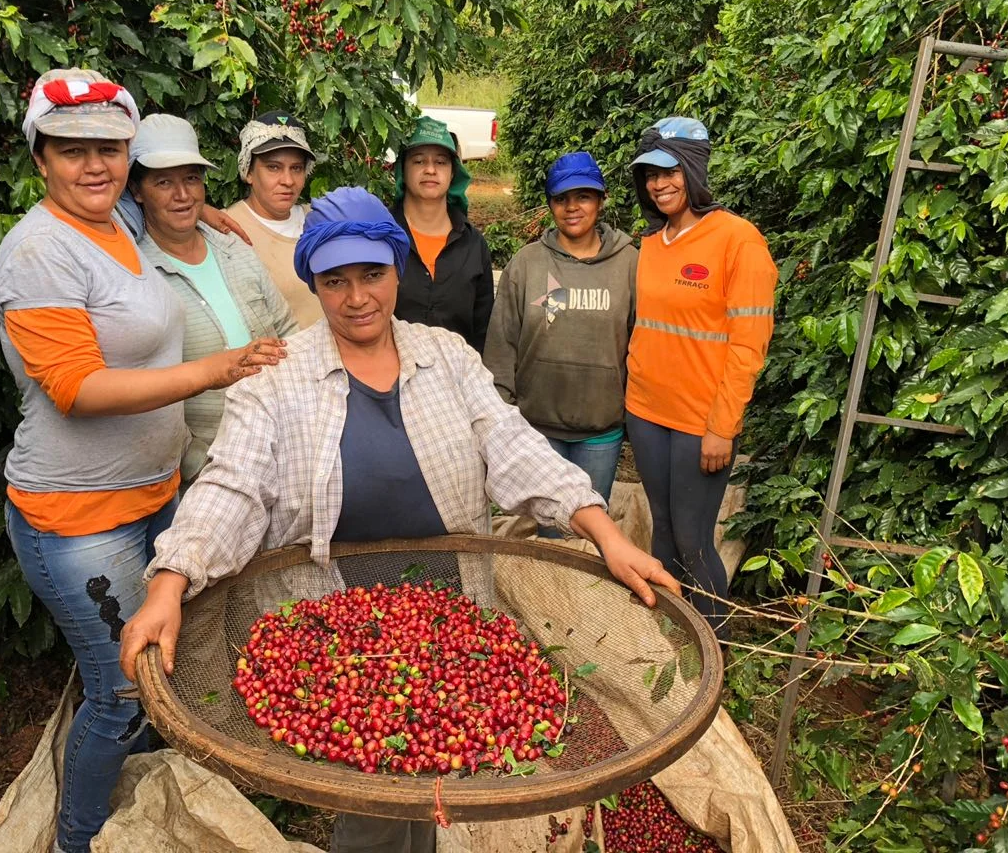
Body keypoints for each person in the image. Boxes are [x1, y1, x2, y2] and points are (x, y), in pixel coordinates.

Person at [118, 186, 679, 853]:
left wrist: (604, 532)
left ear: (397, 270)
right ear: (313, 284)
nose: (357, 297)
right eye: (335, 281)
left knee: (439, 768)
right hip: (331, 622)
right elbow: (232, 484)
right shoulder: (276, 377)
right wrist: (171, 580)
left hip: (450, 608)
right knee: (372, 784)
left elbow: (512, 444)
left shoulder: (445, 356)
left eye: (373, 274)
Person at [0, 69, 286, 853]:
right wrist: (214, 369)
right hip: (79, 518)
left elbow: (166, 200)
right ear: (40, 158)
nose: (96, 165)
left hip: (157, 496)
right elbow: (77, 389)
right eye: (71, 150)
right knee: (121, 692)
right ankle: (79, 840)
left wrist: (210, 209)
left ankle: (146, 812)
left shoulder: (113, 219)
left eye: (111, 149)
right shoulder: (39, 253)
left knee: (163, 671)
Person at [625, 116, 778, 637]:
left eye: (669, 172)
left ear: (693, 170)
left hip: (700, 423)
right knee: (663, 533)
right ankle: (668, 646)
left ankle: (713, 651)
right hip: (646, 413)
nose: (659, 184)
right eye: (650, 175)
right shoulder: (651, 243)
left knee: (693, 540)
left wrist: (722, 426)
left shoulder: (739, 241)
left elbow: (749, 345)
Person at [127, 113, 299, 482]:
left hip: (279, 449)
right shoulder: (134, 270)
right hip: (203, 470)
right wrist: (194, 460)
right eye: (163, 182)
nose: (182, 195)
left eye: (191, 178)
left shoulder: (233, 246)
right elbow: (140, 387)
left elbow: (287, 329)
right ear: (136, 191)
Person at [483, 152, 637, 530]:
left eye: (583, 197)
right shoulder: (527, 263)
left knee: (588, 531)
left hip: (601, 430)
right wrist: (501, 414)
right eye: (561, 198)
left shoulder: (629, 263)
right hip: (537, 428)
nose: (572, 207)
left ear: (601, 200)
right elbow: (502, 342)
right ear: (550, 204)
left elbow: (641, 344)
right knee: (547, 534)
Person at [389, 116, 494, 351]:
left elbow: (483, 330)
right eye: (418, 161)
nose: (430, 170)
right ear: (402, 169)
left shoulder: (473, 245)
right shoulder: (381, 236)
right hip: (387, 371)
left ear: (453, 172)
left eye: (441, 162)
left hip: (458, 371)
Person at [220, 110, 324, 328]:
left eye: (296, 168)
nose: (287, 180)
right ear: (248, 172)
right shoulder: (228, 229)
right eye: (273, 167)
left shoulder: (319, 218)